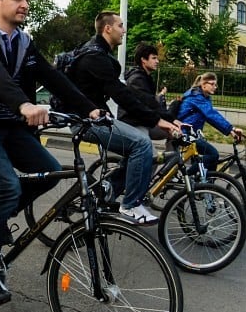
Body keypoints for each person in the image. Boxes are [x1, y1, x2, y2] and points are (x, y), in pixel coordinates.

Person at [0, 0, 100, 305]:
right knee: (7, 188)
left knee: (49, 171)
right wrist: (24, 103)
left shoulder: (23, 42)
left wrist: (91, 111)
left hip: (11, 129)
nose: (25, 4)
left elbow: (54, 77)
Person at [67, 12, 181, 225]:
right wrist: (156, 120)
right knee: (142, 144)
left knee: (136, 151)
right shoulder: (95, 57)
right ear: (107, 28)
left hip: (95, 119)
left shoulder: (97, 53)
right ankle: (130, 205)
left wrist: (160, 117)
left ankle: (106, 190)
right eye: (120, 25)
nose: (124, 30)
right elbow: (123, 96)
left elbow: (130, 94)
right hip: (86, 122)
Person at [177, 72, 245, 172]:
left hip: (192, 134)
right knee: (213, 154)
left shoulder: (204, 97)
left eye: (216, 84)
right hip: (184, 133)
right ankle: (188, 177)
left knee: (208, 158)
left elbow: (212, 119)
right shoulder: (197, 97)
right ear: (203, 85)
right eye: (212, 84)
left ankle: (208, 183)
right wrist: (231, 128)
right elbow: (211, 114)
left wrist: (230, 132)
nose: (215, 87)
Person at [119, 42, 171, 139]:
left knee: (172, 133)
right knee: (148, 150)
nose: (157, 61)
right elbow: (151, 103)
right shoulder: (137, 80)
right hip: (132, 123)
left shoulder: (146, 78)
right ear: (143, 60)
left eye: (157, 58)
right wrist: (171, 119)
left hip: (143, 120)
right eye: (154, 58)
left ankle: (171, 154)